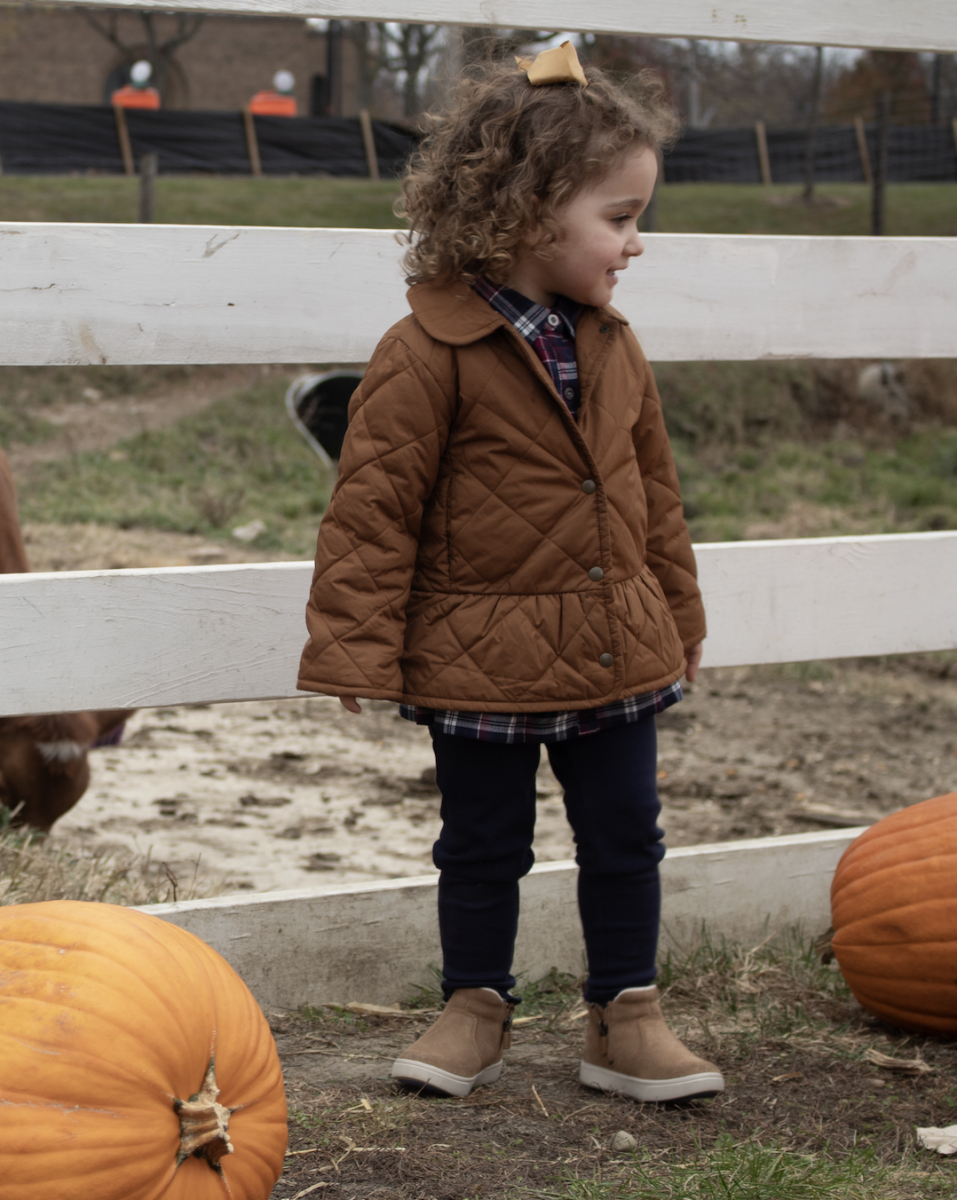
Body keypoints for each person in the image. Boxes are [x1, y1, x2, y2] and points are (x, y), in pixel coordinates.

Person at [297, 41, 722, 1105]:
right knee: (480, 842)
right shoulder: (425, 350)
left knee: (626, 835)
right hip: (475, 656)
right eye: (618, 219)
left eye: (637, 219)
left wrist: (675, 607)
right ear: (532, 211)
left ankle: (626, 1016)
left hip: (615, 645)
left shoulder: (615, 344)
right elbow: (373, 507)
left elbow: (651, 493)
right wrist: (351, 637)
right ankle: (472, 1007)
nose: (634, 245)